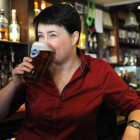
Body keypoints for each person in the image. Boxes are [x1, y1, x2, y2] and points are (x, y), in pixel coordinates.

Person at [0, 3, 140, 140]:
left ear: (74, 37)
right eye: (41, 35)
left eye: (52, 35)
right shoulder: (33, 69)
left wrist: (133, 130)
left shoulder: (98, 70)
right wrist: (14, 84)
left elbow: (135, 106)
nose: (44, 43)